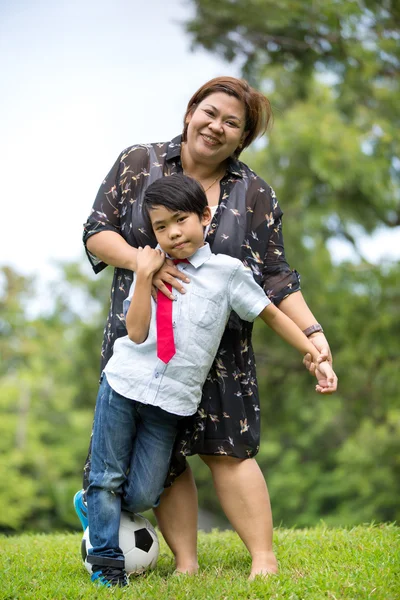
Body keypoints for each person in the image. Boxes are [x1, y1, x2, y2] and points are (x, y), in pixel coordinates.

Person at [76, 76, 338, 580]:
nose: (217, 127)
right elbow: (95, 232)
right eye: (210, 112)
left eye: (232, 123)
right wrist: (144, 262)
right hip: (143, 338)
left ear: (242, 138)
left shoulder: (254, 193)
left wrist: (312, 333)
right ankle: (186, 564)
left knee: (230, 450)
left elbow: (276, 277)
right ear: (191, 111)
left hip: (221, 349)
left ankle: (264, 558)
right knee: (161, 458)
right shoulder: (140, 162)